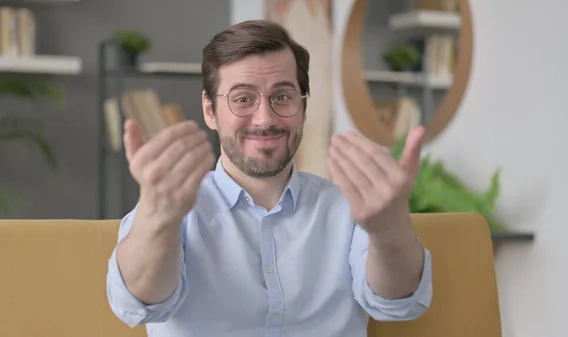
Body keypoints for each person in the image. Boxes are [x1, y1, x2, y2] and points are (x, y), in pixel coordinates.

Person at [106, 20, 432, 337]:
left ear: (303, 107)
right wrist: (159, 219)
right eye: (243, 99)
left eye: (282, 97)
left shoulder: (350, 207)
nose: (264, 119)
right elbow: (137, 304)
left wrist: (390, 229)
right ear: (209, 110)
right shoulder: (169, 206)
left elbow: (397, 305)